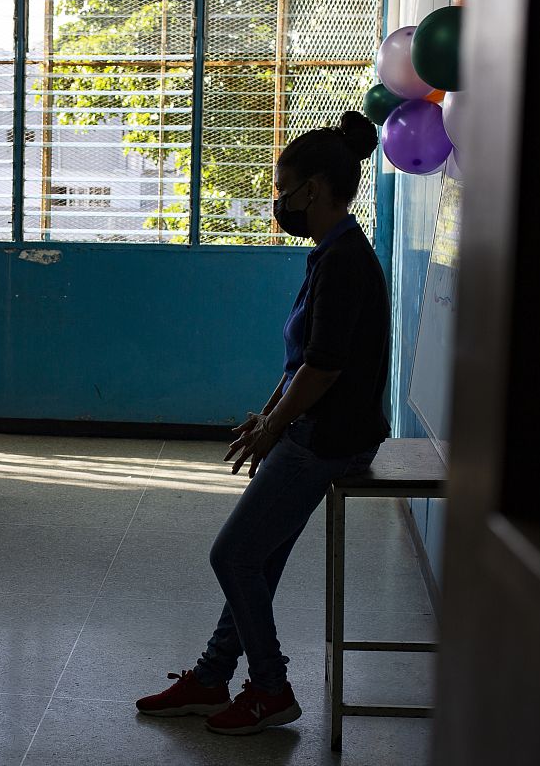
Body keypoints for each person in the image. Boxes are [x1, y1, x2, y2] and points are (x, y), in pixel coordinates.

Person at [136, 110, 390, 736]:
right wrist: (271, 415)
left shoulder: (344, 260)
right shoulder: (331, 253)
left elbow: (326, 367)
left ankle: (271, 688)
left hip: (329, 441)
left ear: (317, 190)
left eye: (284, 188)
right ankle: (215, 674)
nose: (279, 201)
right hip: (313, 432)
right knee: (259, 557)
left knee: (233, 555)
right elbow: (305, 357)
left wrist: (277, 425)